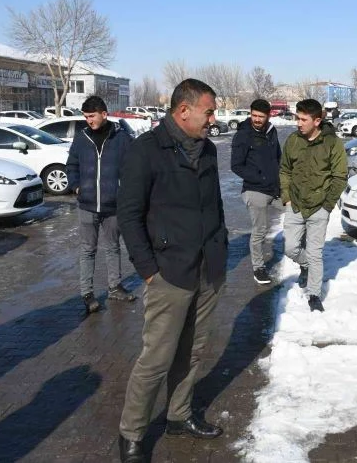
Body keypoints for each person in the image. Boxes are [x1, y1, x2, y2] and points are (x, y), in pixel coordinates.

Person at [116, 79, 228, 463]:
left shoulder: (209, 150)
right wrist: (148, 270)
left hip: (207, 269)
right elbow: (129, 216)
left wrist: (221, 248)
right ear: (184, 111)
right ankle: (131, 435)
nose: (214, 119)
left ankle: (179, 416)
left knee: (193, 352)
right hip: (169, 273)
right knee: (157, 358)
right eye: (209, 111)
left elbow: (214, 205)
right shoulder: (146, 151)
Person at [65, 95, 135, 314]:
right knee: (87, 250)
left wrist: (125, 193)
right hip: (86, 206)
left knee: (113, 247)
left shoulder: (122, 139)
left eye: (92, 116)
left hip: (113, 206)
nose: (89, 121)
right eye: (85, 117)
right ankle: (87, 293)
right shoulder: (81, 138)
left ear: (104, 114)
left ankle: (114, 287)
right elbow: (71, 165)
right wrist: (76, 186)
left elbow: (133, 169)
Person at [280, 98, 347, 312]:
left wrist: (327, 205)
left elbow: (340, 176)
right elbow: (285, 170)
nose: (298, 123)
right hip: (296, 204)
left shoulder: (332, 143)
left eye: (303, 119)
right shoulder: (293, 140)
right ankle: (306, 265)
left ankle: (314, 295)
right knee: (291, 248)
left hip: (319, 207)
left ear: (317, 121)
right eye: (297, 118)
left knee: (315, 252)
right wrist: (288, 198)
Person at [231, 98, 281, 285]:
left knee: (295, 214)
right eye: (254, 115)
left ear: (268, 116)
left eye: (261, 116)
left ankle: (301, 256)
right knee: (260, 230)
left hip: (274, 188)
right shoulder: (243, 135)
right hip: (254, 189)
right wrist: (259, 177)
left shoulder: (271, 131)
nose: (257, 119)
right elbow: (236, 165)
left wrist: (279, 181)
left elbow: (278, 158)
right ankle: (258, 268)